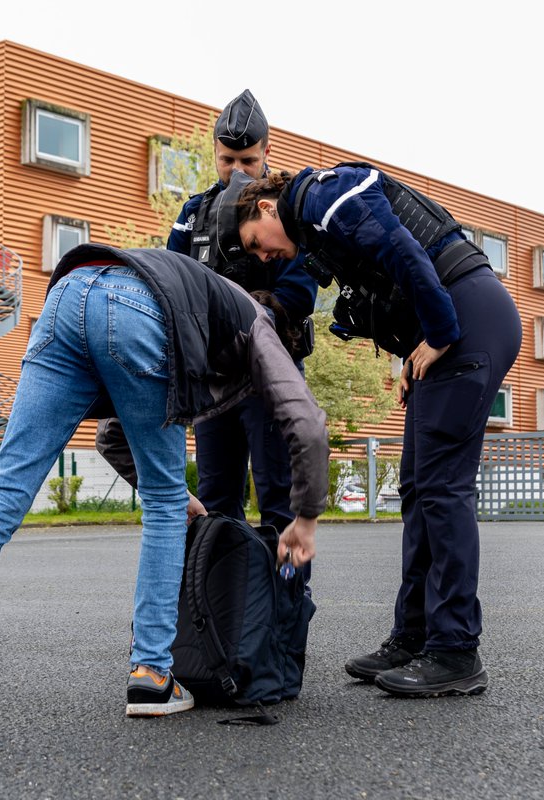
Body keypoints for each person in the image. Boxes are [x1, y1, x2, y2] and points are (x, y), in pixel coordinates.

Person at [0, 244, 328, 726]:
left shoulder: (206, 303)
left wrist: (182, 496)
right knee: (161, 507)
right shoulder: (258, 323)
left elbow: (112, 435)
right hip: (135, 304)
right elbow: (307, 423)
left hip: (66, 297)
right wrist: (305, 517)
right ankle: (153, 674)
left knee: (2, 493)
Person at [231, 163, 522, 698]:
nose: (262, 256)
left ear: (267, 209)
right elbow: (393, 282)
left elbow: (406, 254)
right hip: (448, 328)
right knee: (416, 488)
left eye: (256, 243)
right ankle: (413, 637)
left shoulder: (323, 198)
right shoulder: (314, 224)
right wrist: (413, 359)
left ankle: (455, 650)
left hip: (469, 318)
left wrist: (438, 335)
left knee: (441, 490)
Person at [167, 89, 319, 546]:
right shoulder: (193, 214)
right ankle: (222, 606)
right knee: (216, 499)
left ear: (267, 152)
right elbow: (172, 284)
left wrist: (236, 309)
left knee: (278, 497)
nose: (237, 171)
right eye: (228, 159)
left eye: (248, 161)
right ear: (214, 153)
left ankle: (285, 611)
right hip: (215, 379)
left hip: (269, 372)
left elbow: (298, 294)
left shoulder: (286, 207)